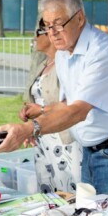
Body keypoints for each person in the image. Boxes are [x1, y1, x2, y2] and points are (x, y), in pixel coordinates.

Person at [0, 0, 108, 196]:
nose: (52, 32)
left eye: (59, 24)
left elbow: (78, 111)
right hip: (93, 148)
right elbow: (68, 104)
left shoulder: (102, 50)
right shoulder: (63, 53)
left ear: (79, 18)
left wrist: (29, 129)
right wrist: (42, 112)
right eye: (47, 25)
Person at [21, 19, 82, 193]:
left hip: (62, 135)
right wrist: (27, 113)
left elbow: (73, 102)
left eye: (37, 34)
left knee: (69, 189)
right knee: (47, 187)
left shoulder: (66, 65)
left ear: (49, 34)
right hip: (43, 136)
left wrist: (40, 110)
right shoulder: (43, 65)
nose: (33, 38)